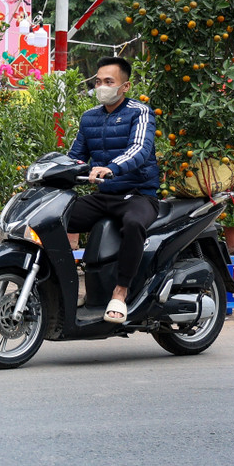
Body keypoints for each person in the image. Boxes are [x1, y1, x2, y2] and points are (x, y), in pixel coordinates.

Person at [67, 56, 160, 323]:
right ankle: (70, 288)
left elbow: (140, 149)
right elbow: (76, 156)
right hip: (104, 195)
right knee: (57, 218)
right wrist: (54, 170)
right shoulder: (89, 118)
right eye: (98, 81)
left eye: (109, 82)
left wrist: (111, 168)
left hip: (138, 194)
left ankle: (120, 293)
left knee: (133, 224)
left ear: (125, 87)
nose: (102, 87)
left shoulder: (140, 112)